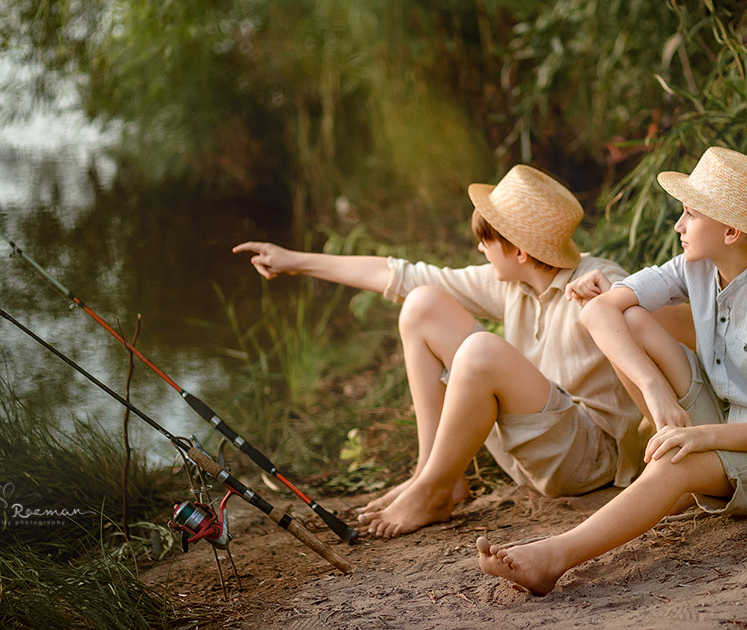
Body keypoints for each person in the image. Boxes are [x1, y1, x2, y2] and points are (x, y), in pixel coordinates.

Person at [476, 147, 747, 594]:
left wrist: (701, 437)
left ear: (732, 230)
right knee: (631, 319)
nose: (678, 225)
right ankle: (671, 472)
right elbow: (599, 313)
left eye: (691, 214)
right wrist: (655, 391)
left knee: (678, 460)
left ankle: (554, 556)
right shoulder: (696, 266)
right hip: (724, 412)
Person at [234, 165, 679, 538]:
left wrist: (610, 303)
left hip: (589, 461)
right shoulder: (517, 282)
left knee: (482, 350)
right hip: (537, 446)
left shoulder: (600, 280)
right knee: (422, 303)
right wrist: (294, 260)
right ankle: (434, 476)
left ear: (520, 250)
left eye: (487, 241)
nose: (480, 249)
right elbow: (401, 276)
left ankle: (431, 489)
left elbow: (675, 322)